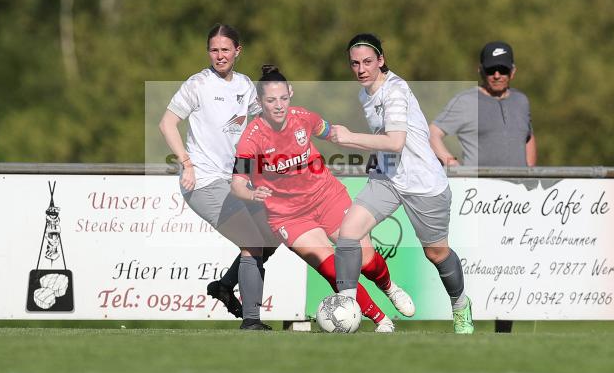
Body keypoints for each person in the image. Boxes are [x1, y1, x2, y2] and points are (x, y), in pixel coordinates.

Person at [231, 65, 415, 332]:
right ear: (259, 102)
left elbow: (336, 134)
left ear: (291, 94)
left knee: (363, 259)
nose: (279, 106)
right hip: (289, 216)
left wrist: (375, 147)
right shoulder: (252, 138)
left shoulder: (304, 118)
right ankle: (381, 320)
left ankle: (389, 287)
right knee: (332, 268)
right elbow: (237, 185)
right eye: (271, 100)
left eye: (283, 98)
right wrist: (251, 192)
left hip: (327, 198)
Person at [329, 33, 473, 334]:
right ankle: (346, 309)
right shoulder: (364, 94)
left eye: (368, 62)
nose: (361, 69)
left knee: (436, 253)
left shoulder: (395, 91)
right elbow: (388, 148)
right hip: (388, 177)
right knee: (348, 233)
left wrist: (349, 137)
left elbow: (395, 142)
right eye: (354, 64)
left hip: (422, 181)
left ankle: (460, 307)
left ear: (381, 60)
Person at [159, 24, 278, 331]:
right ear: (208, 51)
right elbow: (167, 124)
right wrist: (186, 164)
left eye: (226, 49)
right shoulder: (197, 84)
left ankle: (225, 286)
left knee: (274, 234)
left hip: (235, 182)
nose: (220, 55)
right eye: (214, 49)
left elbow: (265, 119)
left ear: (238, 51)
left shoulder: (245, 84)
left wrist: (273, 87)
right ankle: (251, 321)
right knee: (252, 243)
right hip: (204, 183)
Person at [429, 40, 536, 333]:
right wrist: (449, 161)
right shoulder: (467, 101)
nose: (497, 75)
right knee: (478, 267)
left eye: (502, 69)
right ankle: (466, 320)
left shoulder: (521, 101)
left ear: (513, 71)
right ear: (481, 70)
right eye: (491, 70)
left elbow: (528, 137)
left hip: (516, 200)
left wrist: (530, 174)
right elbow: (434, 133)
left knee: (510, 267)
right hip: (480, 200)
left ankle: (504, 330)